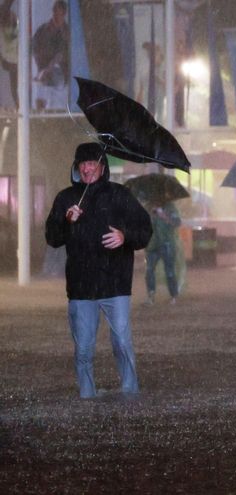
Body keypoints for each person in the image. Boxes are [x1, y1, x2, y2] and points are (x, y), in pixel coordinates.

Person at [45, 143, 153, 399]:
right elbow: (52, 237)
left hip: (115, 284)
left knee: (122, 343)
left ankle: (129, 391)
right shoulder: (65, 199)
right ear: (76, 168)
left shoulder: (120, 195)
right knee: (83, 348)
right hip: (81, 287)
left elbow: (145, 230)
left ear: (102, 167)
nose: (87, 168)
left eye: (92, 163)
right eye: (82, 164)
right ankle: (87, 395)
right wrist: (66, 221)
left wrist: (125, 236)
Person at [32, 0, 69, 111]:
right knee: (40, 81)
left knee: (47, 78)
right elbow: (34, 48)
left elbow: (61, 55)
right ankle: (40, 110)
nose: (56, 16)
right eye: (55, 13)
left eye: (59, 14)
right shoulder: (43, 29)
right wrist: (40, 69)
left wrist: (47, 70)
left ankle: (46, 109)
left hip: (60, 73)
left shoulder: (66, 33)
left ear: (64, 14)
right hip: (42, 70)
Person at [144, 201, 181, 305]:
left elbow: (177, 222)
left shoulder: (170, 207)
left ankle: (173, 295)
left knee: (169, 271)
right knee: (149, 270)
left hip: (167, 243)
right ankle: (151, 295)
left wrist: (163, 215)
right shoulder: (149, 207)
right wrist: (150, 216)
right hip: (152, 244)